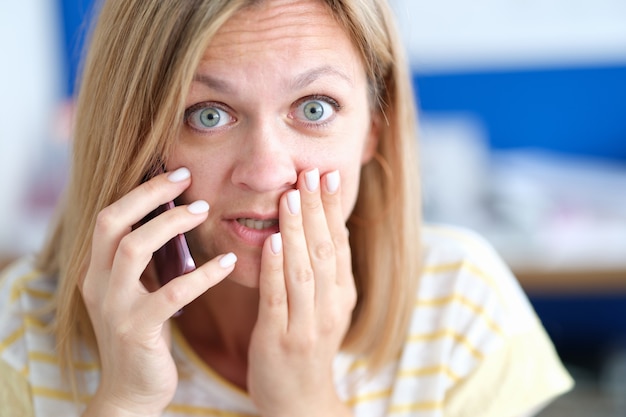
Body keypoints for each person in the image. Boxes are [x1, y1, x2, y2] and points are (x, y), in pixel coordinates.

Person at [0, 0, 573, 416]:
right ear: (136, 137)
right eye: (208, 114)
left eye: (315, 108)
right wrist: (125, 401)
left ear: (374, 130)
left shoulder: (460, 307)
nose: (266, 171)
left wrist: (305, 401)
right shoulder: (22, 325)